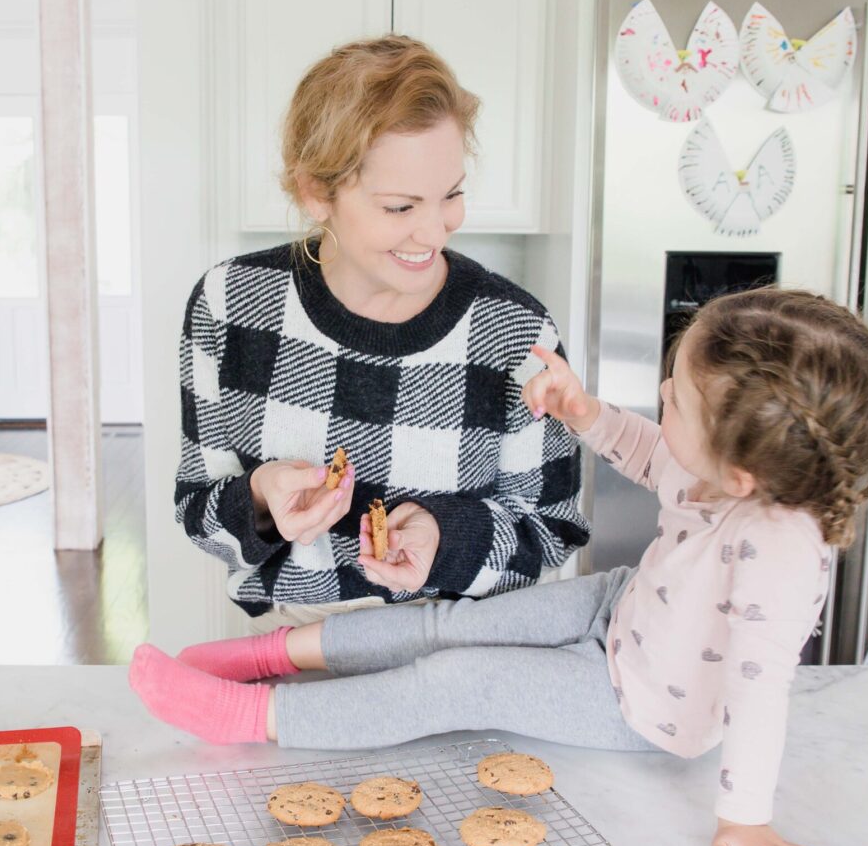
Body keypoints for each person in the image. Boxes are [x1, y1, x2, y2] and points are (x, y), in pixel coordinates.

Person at [132, 287, 868, 846]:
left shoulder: (781, 556)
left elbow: (760, 697)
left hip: (638, 700)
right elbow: (651, 455)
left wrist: (746, 823)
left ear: (740, 478)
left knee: (453, 682)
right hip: (622, 610)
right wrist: (582, 412)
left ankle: (249, 715)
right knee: (447, 625)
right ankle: (269, 654)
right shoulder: (727, 472)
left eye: (677, 400)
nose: (662, 392)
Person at [174, 35, 589, 628]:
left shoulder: (514, 331)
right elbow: (198, 511)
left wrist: (441, 538)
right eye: (400, 207)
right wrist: (261, 501)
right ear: (316, 192)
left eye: (451, 196)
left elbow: (551, 532)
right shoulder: (230, 303)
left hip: (454, 655)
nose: (433, 233)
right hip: (289, 652)